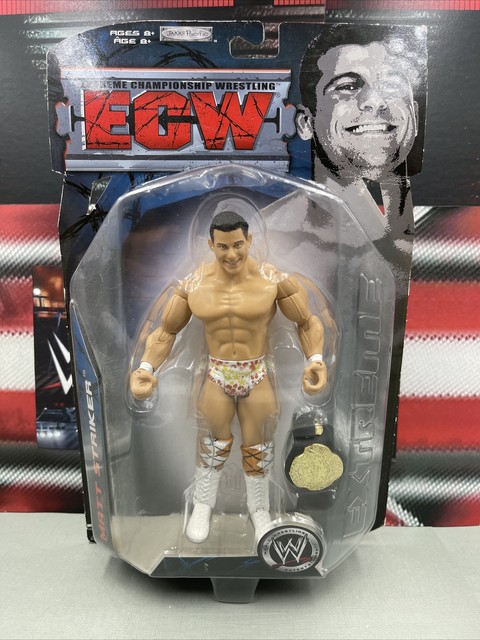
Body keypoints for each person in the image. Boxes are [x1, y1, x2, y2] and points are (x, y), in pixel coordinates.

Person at [130, 211, 328, 543]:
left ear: (249, 241)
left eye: (238, 244)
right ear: (211, 245)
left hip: (256, 372)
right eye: (223, 246)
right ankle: (203, 506)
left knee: (258, 446)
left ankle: (259, 510)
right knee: (211, 444)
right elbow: (166, 332)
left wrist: (316, 360)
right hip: (217, 373)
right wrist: (146, 369)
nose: (232, 254)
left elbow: (307, 321)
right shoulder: (193, 284)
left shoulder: (272, 280)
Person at [295, 24, 425, 243]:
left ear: (415, 115)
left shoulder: (446, 234)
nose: (376, 101)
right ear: (306, 123)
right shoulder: (268, 236)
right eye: (348, 86)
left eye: (391, 85)